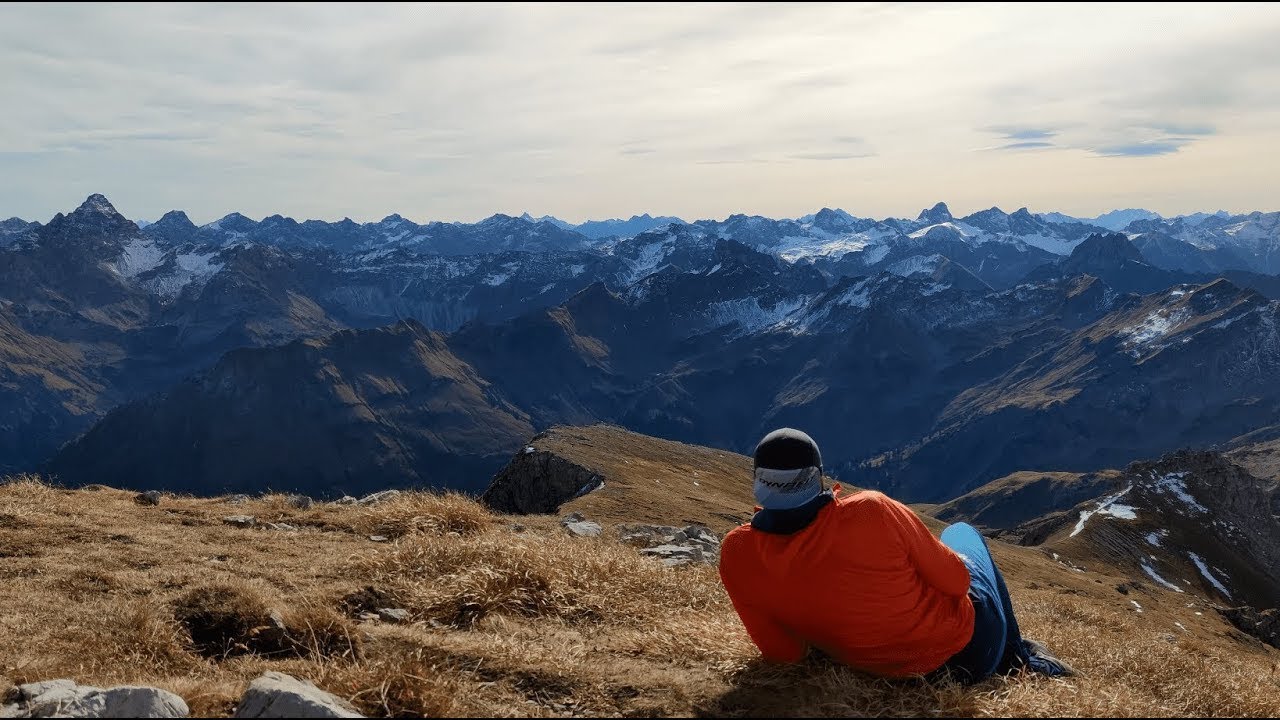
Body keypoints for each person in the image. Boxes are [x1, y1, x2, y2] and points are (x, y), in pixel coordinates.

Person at [719, 427, 1074, 682]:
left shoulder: (737, 551)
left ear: (757, 481)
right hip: (970, 655)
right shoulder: (870, 510)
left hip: (880, 675)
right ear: (818, 477)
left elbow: (784, 653)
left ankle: (1017, 655)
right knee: (960, 533)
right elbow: (957, 582)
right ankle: (1019, 657)